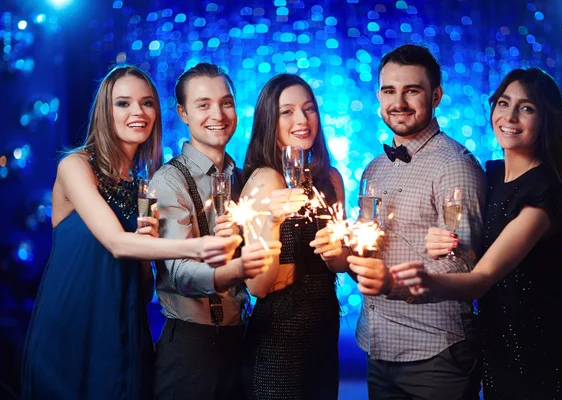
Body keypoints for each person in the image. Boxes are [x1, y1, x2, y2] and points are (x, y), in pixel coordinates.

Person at [21, 65, 242, 400]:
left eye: (147, 103)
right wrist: (200, 246)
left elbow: (141, 288)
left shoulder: (143, 184)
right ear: (104, 112)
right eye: (123, 103)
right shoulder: (75, 166)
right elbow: (115, 244)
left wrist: (147, 246)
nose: (137, 112)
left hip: (124, 324)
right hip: (72, 320)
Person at [392, 67, 562, 399]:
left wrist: (424, 281)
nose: (510, 116)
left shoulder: (544, 192)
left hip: (545, 347)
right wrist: (442, 241)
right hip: (498, 340)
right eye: (503, 103)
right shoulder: (491, 174)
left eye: (526, 108)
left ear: (547, 120)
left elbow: (484, 275)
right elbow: (475, 249)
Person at [346, 44, 487, 399]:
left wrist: (391, 282)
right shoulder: (373, 169)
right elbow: (370, 253)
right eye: (389, 90)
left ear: (436, 95)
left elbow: (465, 268)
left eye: (412, 90)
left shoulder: (454, 165)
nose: (399, 102)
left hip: (434, 354)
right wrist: (344, 252)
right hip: (377, 346)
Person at [151, 62, 280, 400]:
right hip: (192, 351)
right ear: (183, 113)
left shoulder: (242, 179)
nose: (218, 114)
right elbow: (179, 274)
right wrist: (235, 268)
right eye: (203, 104)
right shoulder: (169, 181)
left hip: (240, 342)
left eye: (226, 102)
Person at [241, 73, 345, 399]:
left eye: (308, 109)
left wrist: (336, 251)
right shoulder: (267, 180)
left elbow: (339, 265)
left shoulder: (330, 178)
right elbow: (257, 286)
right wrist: (273, 221)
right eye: (287, 111)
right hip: (279, 340)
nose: (301, 119)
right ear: (269, 121)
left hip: (325, 332)